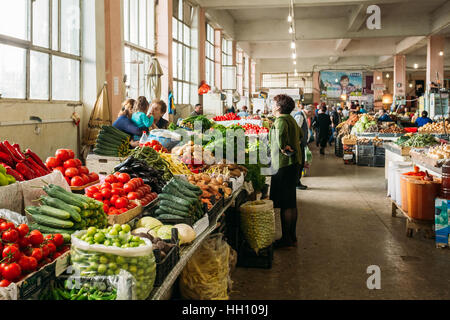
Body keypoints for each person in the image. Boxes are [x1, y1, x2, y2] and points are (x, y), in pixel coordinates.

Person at [269, 94, 303, 248]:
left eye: (273, 103)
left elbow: (281, 140)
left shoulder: (281, 120)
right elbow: (301, 136)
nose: (272, 105)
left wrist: (283, 147)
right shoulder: (292, 120)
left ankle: (286, 240)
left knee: (285, 204)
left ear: (278, 106)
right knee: (290, 202)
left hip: (284, 165)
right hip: (294, 164)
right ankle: (292, 237)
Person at [293, 104, 313, 190]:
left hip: (302, 144)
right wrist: (298, 141)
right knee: (299, 164)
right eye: (312, 114)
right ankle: (296, 183)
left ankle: (297, 182)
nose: (312, 116)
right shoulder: (300, 116)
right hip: (299, 144)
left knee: (301, 164)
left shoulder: (303, 116)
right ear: (309, 112)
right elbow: (296, 129)